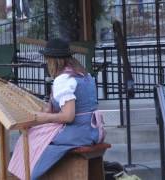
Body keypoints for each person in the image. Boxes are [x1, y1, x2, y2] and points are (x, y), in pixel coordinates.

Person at [8, 38, 102, 179]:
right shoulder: (84, 74)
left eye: (47, 60)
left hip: (79, 133)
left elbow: (68, 116)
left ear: (52, 60)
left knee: (29, 138)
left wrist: (42, 117)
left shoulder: (63, 79)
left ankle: (29, 176)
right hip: (92, 130)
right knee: (36, 133)